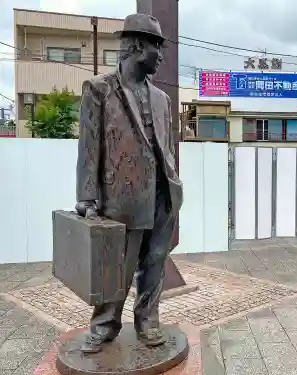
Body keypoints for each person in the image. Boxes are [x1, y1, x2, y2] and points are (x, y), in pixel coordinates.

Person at [75, 13, 183, 353]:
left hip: (163, 194)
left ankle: (148, 319)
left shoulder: (163, 100)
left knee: (155, 262)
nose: (161, 56)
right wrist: (87, 197)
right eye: (157, 48)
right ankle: (105, 323)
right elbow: (89, 149)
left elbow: (166, 147)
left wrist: (175, 185)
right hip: (122, 196)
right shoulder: (100, 90)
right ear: (137, 47)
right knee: (118, 267)